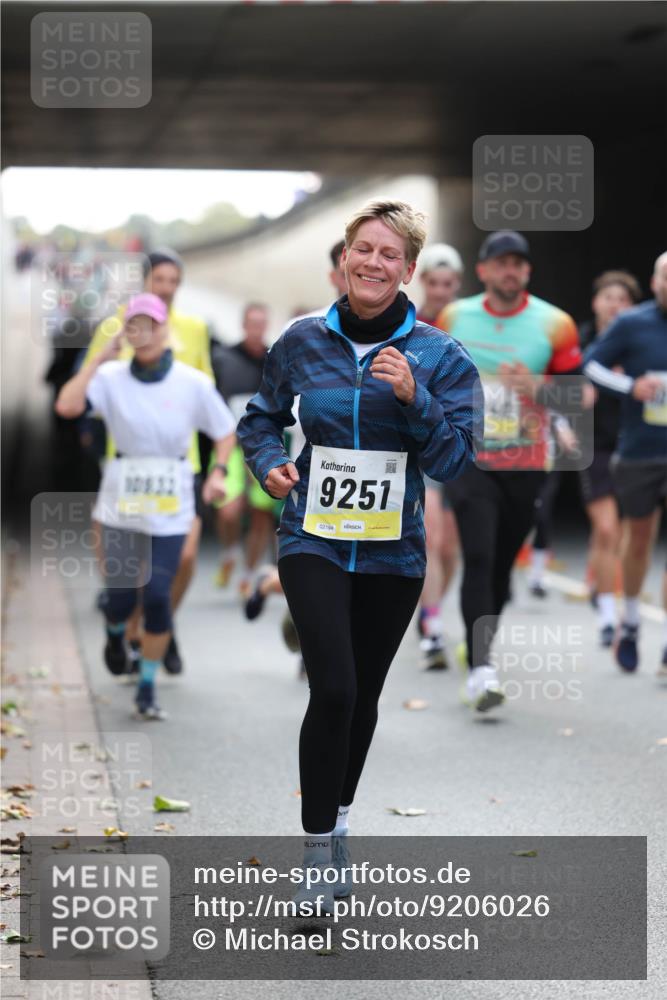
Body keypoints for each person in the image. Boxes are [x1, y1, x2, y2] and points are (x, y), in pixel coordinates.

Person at [238, 200, 478, 913]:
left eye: (388, 255)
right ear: (343, 258)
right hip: (310, 534)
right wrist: (266, 462)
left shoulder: (438, 355)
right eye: (361, 250)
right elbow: (261, 418)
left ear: (407, 269)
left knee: (363, 698)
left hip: (391, 552)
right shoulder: (300, 341)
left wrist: (413, 399)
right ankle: (315, 857)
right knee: (333, 688)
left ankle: (339, 825)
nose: (372, 263)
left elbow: (455, 460)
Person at [55, 294, 236, 718]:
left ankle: (147, 685)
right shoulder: (111, 377)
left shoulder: (192, 383)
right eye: (134, 325)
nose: (143, 333)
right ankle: (116, 633)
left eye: (151, 324)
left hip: (172, 497)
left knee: (156, 595)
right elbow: (67, 406)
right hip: (122, 496)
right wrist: (99, 359)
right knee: (120, 596)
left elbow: (225, 431)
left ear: (164, 330)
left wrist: (218, 472)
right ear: (126, 332)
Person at [436, 230, 583, 712]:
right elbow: (433, 377)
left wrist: (537, 386)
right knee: (477, 554)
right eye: (500, 263)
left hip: (526, 463)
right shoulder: (456, 316)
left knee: (500, 565)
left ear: (527, 272)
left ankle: (478, 646)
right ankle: (481, 671)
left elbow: (577, 398)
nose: (509, 271)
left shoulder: (556, 324)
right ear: (482, 271)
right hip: (471, 458)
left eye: (517, 264)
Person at [84, 248, 215, 675]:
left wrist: (215, 465)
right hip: (127, 462)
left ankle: (160, 624)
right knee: (134, 561)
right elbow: (89, 384)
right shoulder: (117, 324)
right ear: (145, 282)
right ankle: (135, 627)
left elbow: (204, 388)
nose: (168, 289)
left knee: (185, 557)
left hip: (181, 461)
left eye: (174, 281)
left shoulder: (193, 329)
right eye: (160, 280)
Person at [584, 252, 667, 674]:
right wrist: (631, 386)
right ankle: (630, 622)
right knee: (638, 540)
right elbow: (591, 364)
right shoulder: (633, 323)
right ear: (654, 283)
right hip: (639, 451)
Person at [575, 270, 641, 644]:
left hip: (632, 444)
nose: (615, 305)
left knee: (628, 533)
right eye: (608, 297)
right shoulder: (582, 343)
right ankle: (606, 615)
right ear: (596, 302)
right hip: (592, 445)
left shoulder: (640, 342)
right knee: (606, 528)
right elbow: (552, 387)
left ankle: (601, 585)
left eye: (623, 299)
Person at [415, 244, 464, 669]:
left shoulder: (470, 325)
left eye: (449, 285)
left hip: (462, 446)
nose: (441, 292)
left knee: (453, 549)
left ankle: (429, 609)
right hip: (422, 446)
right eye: (434, 284)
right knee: (433, 536)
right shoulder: (410, 326)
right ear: (422, 283)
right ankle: (432, 630)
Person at [210, 303, 275, 596]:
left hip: (263, 446)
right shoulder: (223, 358)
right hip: (231, 445)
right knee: (228, 511)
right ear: (243, 324)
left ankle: (248, 574)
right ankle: (229, 551)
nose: (256, 328)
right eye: (252, 322)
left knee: (261, 512)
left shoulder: (276, 359)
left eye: (262, 323)